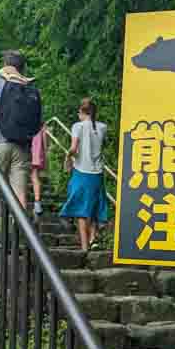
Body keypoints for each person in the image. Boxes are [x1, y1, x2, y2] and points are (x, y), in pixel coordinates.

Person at [0, 50, 42, 210]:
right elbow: (39, 121)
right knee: (20, 195)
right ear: (22, 67)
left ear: (5, 65)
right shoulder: (29, 86)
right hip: (23, 147)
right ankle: (17, 232)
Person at [60, 98, 108, 251]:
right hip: (97, 172)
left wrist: (68, 157)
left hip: (82, 171)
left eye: (78, 112)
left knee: (81, 210)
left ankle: (84, 246)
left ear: (82, 112)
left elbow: (74, 148)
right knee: (92, 207)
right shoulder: (102, 127)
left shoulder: (78, 126)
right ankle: (93, 239)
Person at [31, 125, 48, 217]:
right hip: (36, 152)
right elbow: (45, 141)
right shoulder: (41, 124)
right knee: (35, 177)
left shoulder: (24, 119)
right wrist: (45, 152)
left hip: (24, 149)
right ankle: (37, 203)